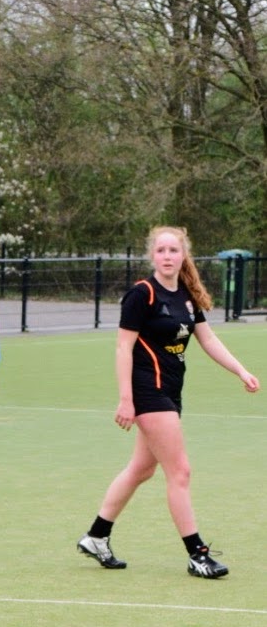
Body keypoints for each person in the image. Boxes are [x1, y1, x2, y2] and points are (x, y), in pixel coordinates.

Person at [78, 225, 260, 578]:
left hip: (171, 392)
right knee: (180, 472)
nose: (167, 256)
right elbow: (123, 348)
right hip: (149, 392)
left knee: (141, 469)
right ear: (152, 255)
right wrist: (126, 400)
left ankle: (97, 536)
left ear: (183, 255)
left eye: (173, 250)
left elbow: (208, 340)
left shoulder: (187, 297)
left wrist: (240, 370)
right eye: (161, 250)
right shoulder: (142, 294)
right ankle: (197, 554)